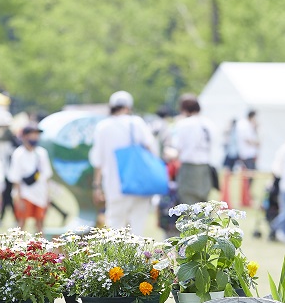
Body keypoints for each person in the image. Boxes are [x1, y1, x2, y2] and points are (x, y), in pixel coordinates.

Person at [89, 90, 159, 235]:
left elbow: (98, 160)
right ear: (128, 107)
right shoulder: (137, 123)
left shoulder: (103, 126)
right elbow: (152, 150)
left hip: (114, 184)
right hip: (139, 184)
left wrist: (97, 186)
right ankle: (137, 250)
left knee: (115, 226)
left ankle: (117, 251)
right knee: (137, 227)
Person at [7, 125, 52, 233]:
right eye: (33, 134)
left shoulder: (42, 153)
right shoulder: (19, 154)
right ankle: (19, 243)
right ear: (25, 136)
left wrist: (47, 195)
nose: (35, 137)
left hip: (40, 192)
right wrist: (18, 197)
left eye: (37, 135)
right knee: (22, 223)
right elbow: (15, 177)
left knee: (40, 223)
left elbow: (46, 175)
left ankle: (40, 243)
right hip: (25, 193)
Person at [172, 96, 215, 206]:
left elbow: (177, 147)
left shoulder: (184, 124)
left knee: (188, 203)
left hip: (189, 167)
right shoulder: (208, 123)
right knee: (203, 205)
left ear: (184, 109)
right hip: (205, 167)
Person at [235, 110, 259, 207]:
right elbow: (247, 139)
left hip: (249, 154)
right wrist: (256, 143)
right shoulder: (244, 125)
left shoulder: (247, 125)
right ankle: (246, 197)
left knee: (250, 176)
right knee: (248, 176)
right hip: (246, 154)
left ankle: (248, 195)